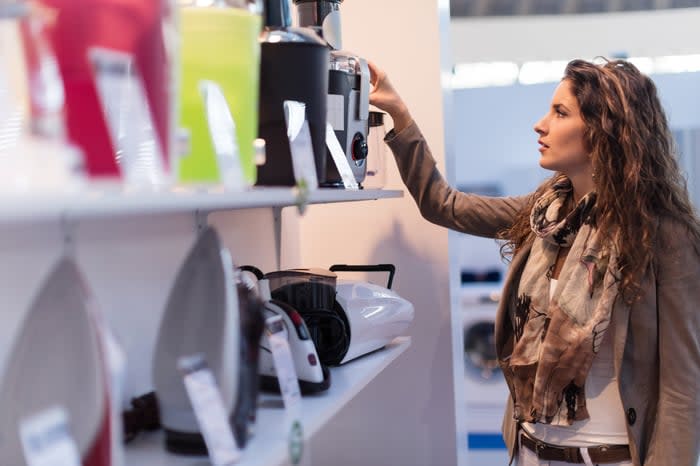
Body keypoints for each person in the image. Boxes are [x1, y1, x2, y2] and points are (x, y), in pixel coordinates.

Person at [368, 58, 700, 466]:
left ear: (603, 130)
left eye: (560, 113)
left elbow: (682, 385)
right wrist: (399, 114)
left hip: (609, 456)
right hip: (530, 451)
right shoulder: (544, 214)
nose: (540, 125)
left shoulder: (664, 234)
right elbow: (443, 204)